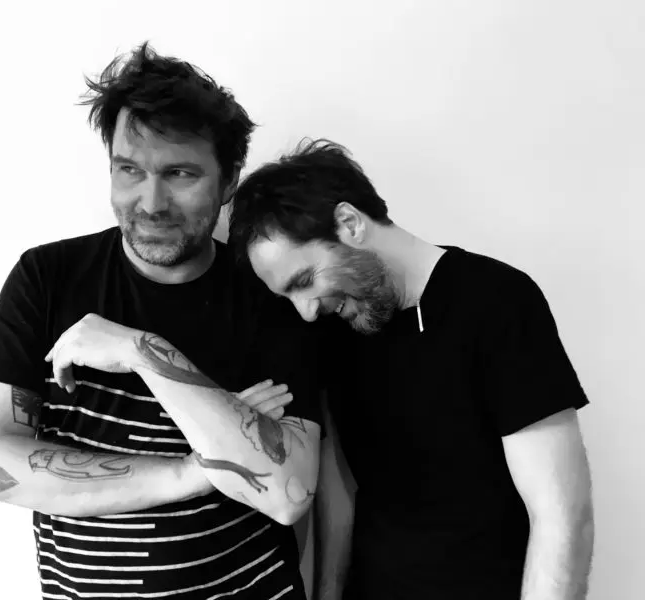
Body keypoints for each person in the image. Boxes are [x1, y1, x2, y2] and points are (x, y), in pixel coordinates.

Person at [0, 43, 322, 600]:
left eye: (179, 174)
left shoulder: (269, 292)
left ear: (229, 180)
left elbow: (287, 492)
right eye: (129, 170)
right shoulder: (47, 277)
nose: (151, 202)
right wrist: (197, 470)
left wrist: (141, 350)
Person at [228, 139, 595, 600]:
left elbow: (562, 517)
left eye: (304, 282)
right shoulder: (333, 330)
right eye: (288, 297)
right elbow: (341, 488)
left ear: (349, 223)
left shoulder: (497, 302)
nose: (306, 311)